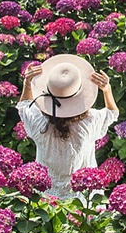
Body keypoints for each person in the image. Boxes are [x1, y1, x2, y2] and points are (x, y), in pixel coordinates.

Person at [16, 54, 118, 197]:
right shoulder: (90, 122)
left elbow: (24, 106)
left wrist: (27, 83)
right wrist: (107, 90)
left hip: (47, 198)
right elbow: (112, 113)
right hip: (83, 200)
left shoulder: (39, 124)